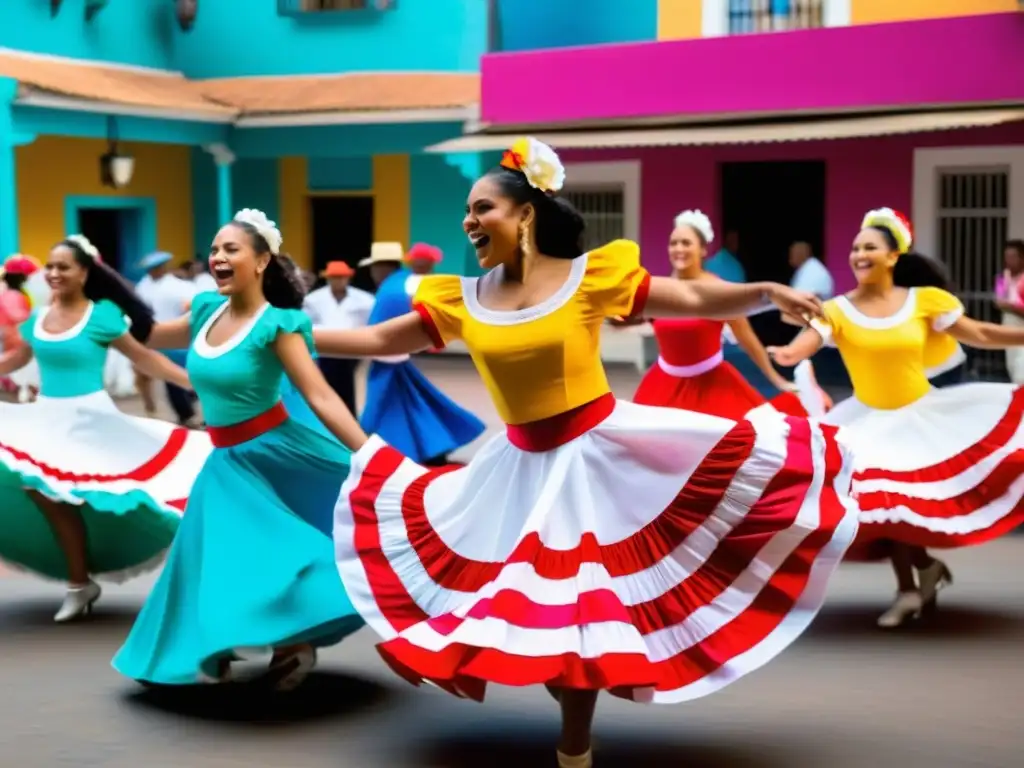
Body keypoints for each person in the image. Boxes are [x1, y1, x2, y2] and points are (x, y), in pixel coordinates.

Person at [323, 138, 858, 767]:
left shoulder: (588, 277)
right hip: (517, 467)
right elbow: (381, 338)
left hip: (597, 458)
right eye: (467, 211)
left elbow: (687, 298)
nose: (469, 221)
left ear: (525, 214)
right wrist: (291, 330)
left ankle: (573, 748)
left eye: (483, 207)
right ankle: (573, 741)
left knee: (584, 608)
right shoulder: (460, 297)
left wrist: (764, 291)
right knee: (528, 606)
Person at [113, 209, 365, 691]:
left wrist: (369, 453)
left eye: (231, 249)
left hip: (276, 451)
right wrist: (106, 295)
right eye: (214, 249)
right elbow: (149, 335)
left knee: (288, 550)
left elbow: (320, 395)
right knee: (213, 556)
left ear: (262, 260)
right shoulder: (207, 308)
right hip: (225, 458)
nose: (218, 257)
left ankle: (292, 641)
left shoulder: (280, 324)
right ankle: (213, 643)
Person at [768, 208, 1024, 628]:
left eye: (870, 247)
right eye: (854, 248)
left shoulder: (924, 302)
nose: (859, 254)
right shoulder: (836, 310)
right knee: (883, 506)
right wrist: (781, 355)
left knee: (901, 506)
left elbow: (982, 334)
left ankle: (914, 583)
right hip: (867, 422)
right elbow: (801, 347)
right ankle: (917, 578)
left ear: (892, 257)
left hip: (922, 418)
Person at [0, 235, 211, 622]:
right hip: (46, 422)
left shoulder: (102, 316)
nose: (53, 273)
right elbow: (16, 358)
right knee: (44, 492)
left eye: (63, 266)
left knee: (147, 500)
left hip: (93, 424)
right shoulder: (37, 320)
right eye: (50, 266)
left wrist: (193, 384)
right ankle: (80, 584)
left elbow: (145, 358)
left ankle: (202, 581)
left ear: (84, 272)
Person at [627, 209, 826, 419]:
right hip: (662, 387)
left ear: (703, 249)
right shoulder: (658, 289)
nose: (678, 249)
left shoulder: (719, 290)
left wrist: (778, 380)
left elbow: (747, 339)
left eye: (686, 243)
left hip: (711, 388)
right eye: (673, 243)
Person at [352, 241, 485, 466]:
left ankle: (370, 445)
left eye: (377, 267)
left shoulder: (406, 284)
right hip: (391, 353)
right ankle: (428, 445)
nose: (374, 272)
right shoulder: (398, 283)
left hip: (388, 353)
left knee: (382, 403)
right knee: (408, 399)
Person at [135, 251, 200, 426]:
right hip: (159, 339)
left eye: (155, 268)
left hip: (180, 337)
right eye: (149, 270)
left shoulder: (177, 286)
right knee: (171, 379)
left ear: (162, 268)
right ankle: (185, 414)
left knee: (187, 376)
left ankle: (191, 408)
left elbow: (193, 306)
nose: (152, 272)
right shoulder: (144, 286)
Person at [302, 260, 374, 413]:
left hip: (352, 346)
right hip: (325, 347)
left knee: (347, 384)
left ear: (348, 278)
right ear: (328, 278)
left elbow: (370, 321)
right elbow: (307, 322)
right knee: (327, 383)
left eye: (342, 277)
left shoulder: (365, 299)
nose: (338, 280)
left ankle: (347, 414)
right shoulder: (314, 299)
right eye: (334, 277)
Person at [994, 239, 1024, 383]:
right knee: (1012, 365)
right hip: (1008, 327)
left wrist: (1011, 307)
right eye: (1007, 257)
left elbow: (1006, 304)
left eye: (1013, 257)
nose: (1009, 260)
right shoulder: (1002, 277)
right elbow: (999, 301)